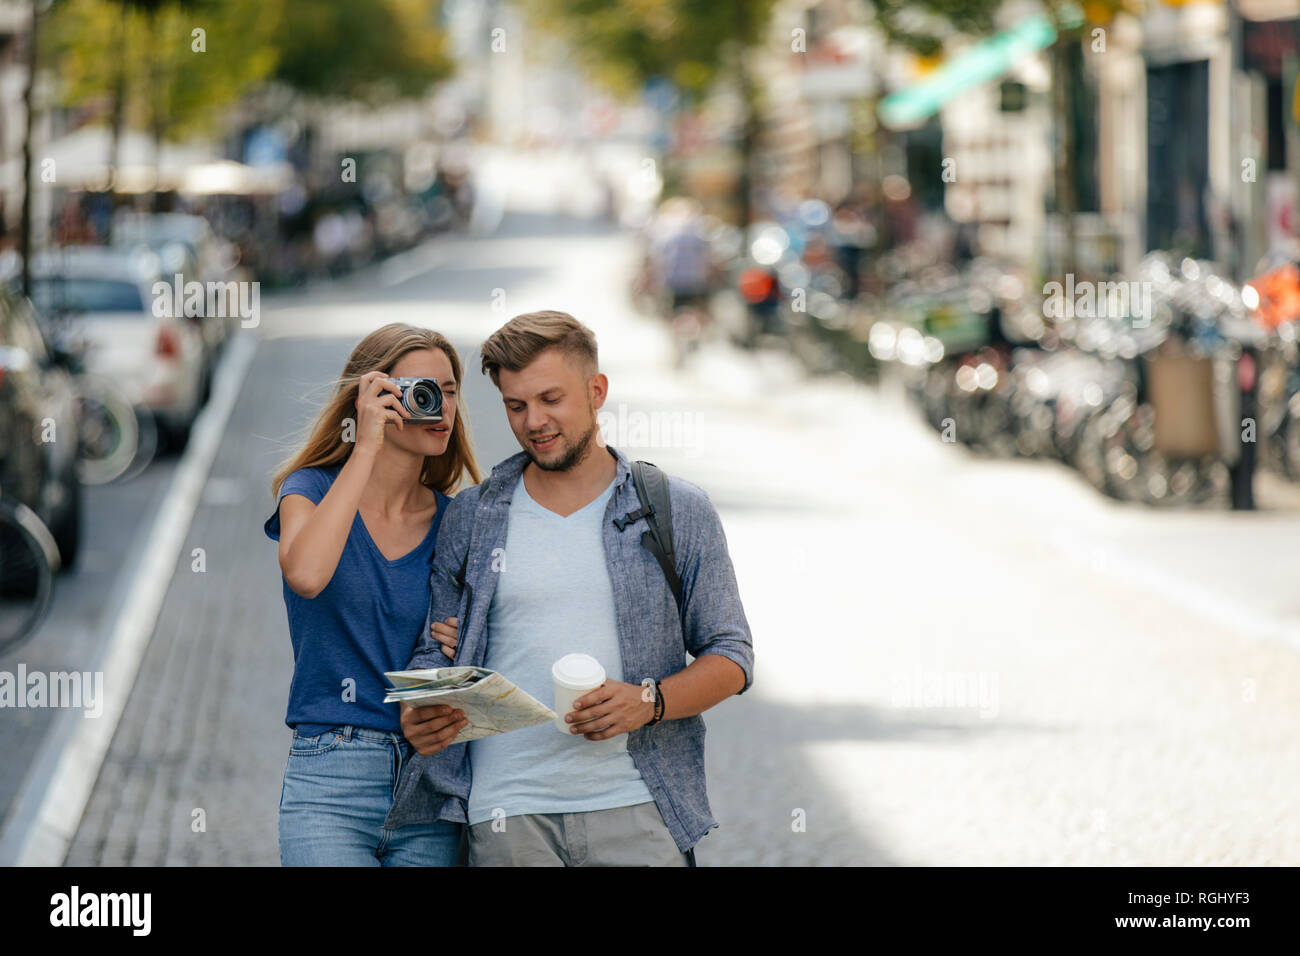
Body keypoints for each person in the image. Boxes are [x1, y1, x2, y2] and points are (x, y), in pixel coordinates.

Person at [388, 310, 754, 866]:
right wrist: (422, 707)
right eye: (516, 405)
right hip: (508, 813)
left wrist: (647, 702)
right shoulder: (472, 516)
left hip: (638, 806)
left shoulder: (675, 508)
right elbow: (432, 653)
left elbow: (732, 655)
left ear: (596, 391)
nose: (534, 420)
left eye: (550, 399)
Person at [264, 323, 482, 866]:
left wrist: (468, 642)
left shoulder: (457, 524)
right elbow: (308, 574)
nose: (441, 407)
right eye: (420, 392)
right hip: (329, 781)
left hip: (428, 782)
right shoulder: (309, 490)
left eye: (450, 391)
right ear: (371, 398)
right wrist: (364, 447)